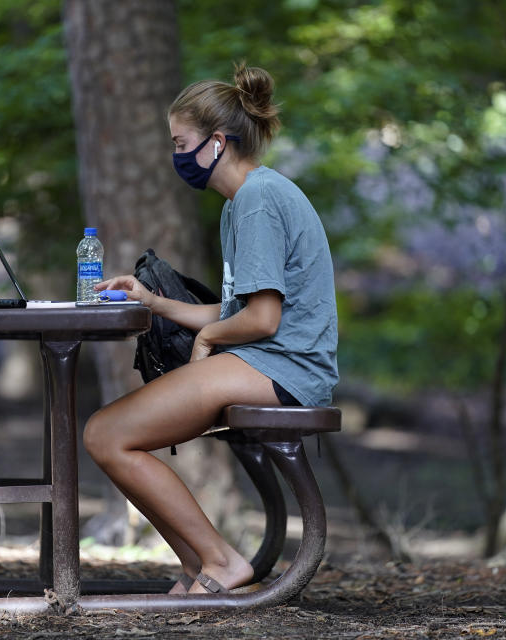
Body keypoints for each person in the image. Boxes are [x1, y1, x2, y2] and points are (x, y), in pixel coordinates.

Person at [85, 64, 339, 595]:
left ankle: (221, 563)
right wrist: (153, 301)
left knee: (107, 434)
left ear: (217, 142)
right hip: (266, 362)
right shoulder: (241, 203)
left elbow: (262, 320)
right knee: (109, 435)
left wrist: (206, 341)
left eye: (181, 142)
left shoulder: (257, 201)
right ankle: (203, 566)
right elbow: (233, 312)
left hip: (282, 368)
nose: (175, 153)